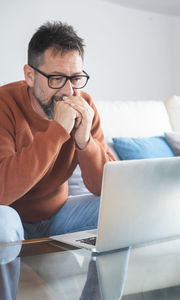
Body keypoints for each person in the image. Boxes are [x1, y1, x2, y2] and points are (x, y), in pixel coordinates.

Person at [0, 21, 115, 241]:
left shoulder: (85, 106)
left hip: (59, 215)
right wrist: (58, 131)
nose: (68, 91)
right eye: (57, 78)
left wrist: (85, 142)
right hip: (10, 215)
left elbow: (105, 188)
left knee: (119, 208)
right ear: (30, 75)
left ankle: (100, 277)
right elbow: (2, 192)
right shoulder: (4, 104)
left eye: (75, 78)